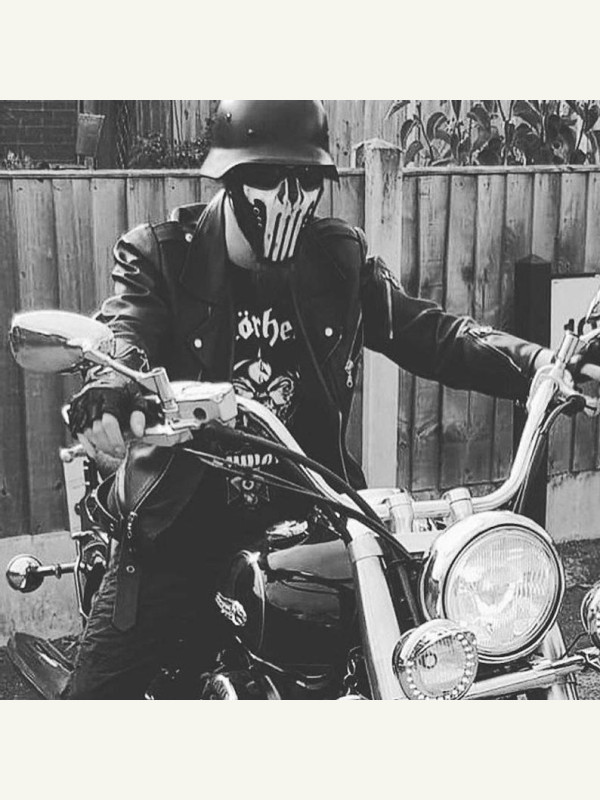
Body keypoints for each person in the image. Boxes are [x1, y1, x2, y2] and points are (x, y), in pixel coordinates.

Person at [61, 100, 585, 698]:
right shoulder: (160, 255)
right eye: (269, 176)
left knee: (424, 659)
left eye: (306, 178)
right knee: (93, 702)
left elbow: (428, 331)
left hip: (314, 519)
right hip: (183, 528)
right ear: (229, 177)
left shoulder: (337, 259)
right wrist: (112, 391)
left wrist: (540, 364)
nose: (290, 196)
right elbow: (125, 333)